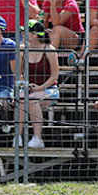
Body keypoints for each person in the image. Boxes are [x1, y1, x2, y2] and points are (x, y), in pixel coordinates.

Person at [15, 21, 59, 150]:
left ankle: (37, 138)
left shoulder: (49, 49)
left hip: (49, 89)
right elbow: (19, 73)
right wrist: (26, 84)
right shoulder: (22, 49)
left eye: (25, 31)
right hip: (29, 89)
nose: (23, 34)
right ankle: (17, 136)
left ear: (34, 35)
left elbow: (54, 76)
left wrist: (39, 88)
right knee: (21, 99)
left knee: (32, 100)